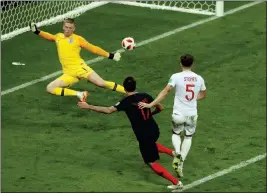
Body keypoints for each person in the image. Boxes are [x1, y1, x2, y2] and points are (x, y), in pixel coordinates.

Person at [77, 76, 183, 190]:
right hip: (154, 129)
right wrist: (150, 115)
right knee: (151, 144)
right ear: (135, 86)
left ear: (124, 88)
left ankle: (176, 183)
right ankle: (174, 154)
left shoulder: (125, 102)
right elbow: (160, 108)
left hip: (143, 134)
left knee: (150, 162)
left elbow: (108, 110)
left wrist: (88, 106)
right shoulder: (145, 95)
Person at [138, 54, 207, 178]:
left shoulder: (176, 77)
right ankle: (180, 162)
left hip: (178, 114)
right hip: (192, 113)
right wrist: (191, 100)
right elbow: (203, 94)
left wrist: (151, 104)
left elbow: (165, 92)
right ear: (193, 64)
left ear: (180, 63)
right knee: (188, 137)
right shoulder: (199, 78)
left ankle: (178, 153)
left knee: (176, 134)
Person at [29, 18, 125, 102]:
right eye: (66, 27)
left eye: (70, 28)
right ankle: (80, 94)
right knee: (50, 88)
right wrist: (37, 31)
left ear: (73, 29)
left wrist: (110, 55)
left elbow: (93, 48)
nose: (67, 30)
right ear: (63, 27)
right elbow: (50, 37)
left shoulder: (78, 39)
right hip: (68, 73)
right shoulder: (58, 36)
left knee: (101, 83)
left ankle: (128, 91)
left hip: (80, 69)